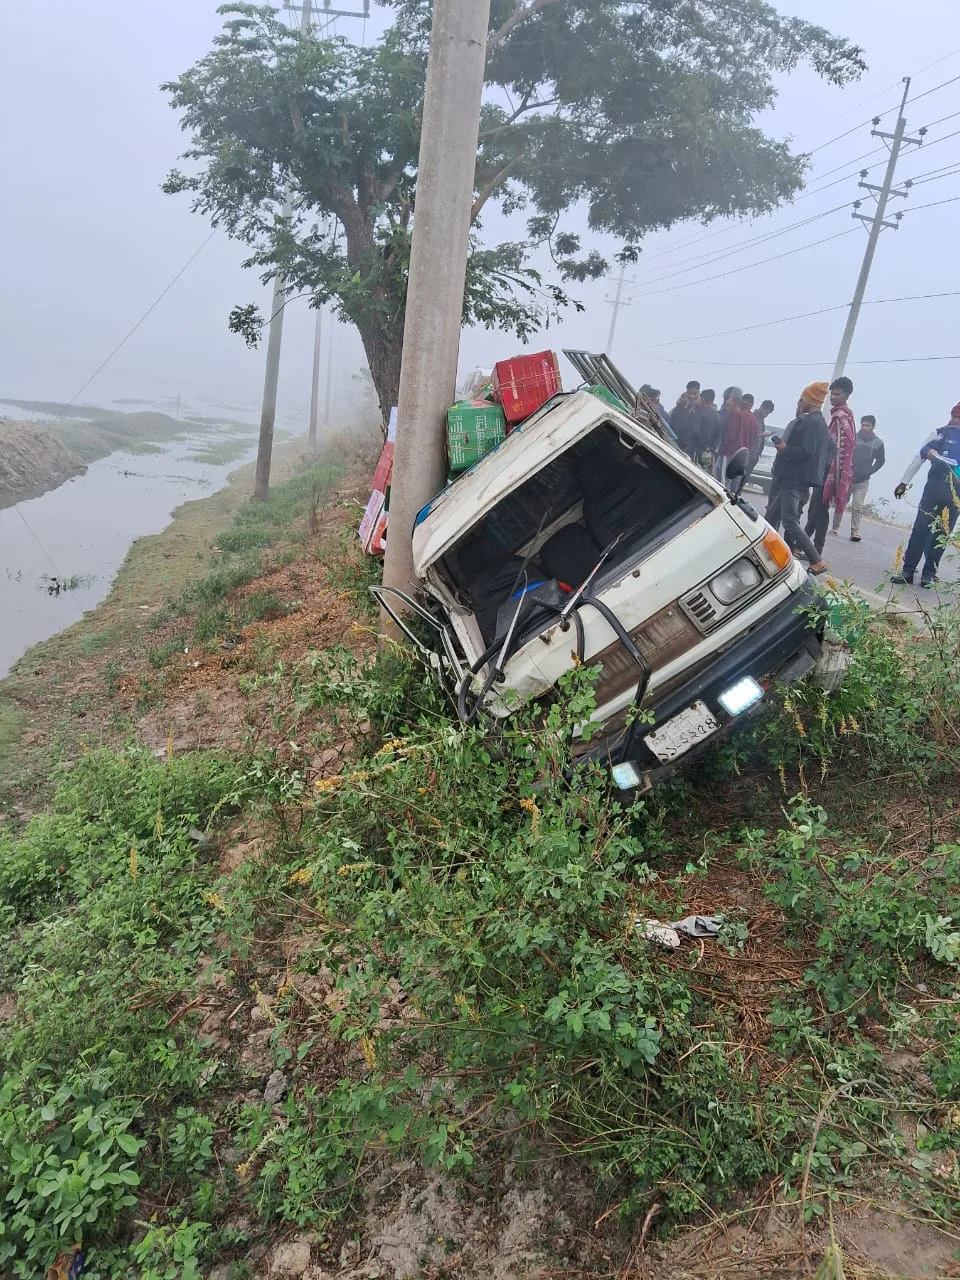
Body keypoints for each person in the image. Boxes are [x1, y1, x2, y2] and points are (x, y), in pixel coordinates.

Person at [764, 382, 831, 575]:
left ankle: (816, 561)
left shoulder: (810, 422)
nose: (799, 403)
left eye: (801, 400)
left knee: (790, 521)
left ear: (807, 401)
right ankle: (764, 550)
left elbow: (806, 452)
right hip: (796, 478)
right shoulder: (819, 423)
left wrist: (785, 449)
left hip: (795, 478)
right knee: (769, 518)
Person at [891, 402, 960, 588]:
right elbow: (919, 457)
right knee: (920, 530)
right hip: (932, 493)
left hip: (955, 498)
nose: (954, 421)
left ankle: (929, 574)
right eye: (953, 416)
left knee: (942, 535)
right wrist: (904, 483)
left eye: (958, 418)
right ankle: (907, 571)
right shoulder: (940, 433)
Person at [805, 376, 855, 555]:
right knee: (815, 508)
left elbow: (844, 445)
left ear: (847, 396)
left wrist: (832, 466)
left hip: (830, 469)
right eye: (832, 394)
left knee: (820, 508)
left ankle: (816, 549)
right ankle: (803, 544)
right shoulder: (840, 415)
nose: (833, 397)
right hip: (827, 468)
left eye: (837, 394)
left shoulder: (842, 416)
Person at [847, 415, 885, 542]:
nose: (864, 427)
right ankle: (834, 527)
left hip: (863, 480)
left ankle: (855, 532)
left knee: (857, 506)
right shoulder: (853, 438)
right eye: (863, 424)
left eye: (867, 425)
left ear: (873, 427)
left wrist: (870, 471)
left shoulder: (878, 443)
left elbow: (881, 461)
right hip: (848, 477)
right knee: (840, 503)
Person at [717, 387, 758, 485]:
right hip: (742, 456)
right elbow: (753, 439)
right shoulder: (753, 418)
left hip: (729, 453)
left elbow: (730, 435)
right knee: (735, 483)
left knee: (723, 481)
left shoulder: (736, 414)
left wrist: (722, 450)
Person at [670, 385, 703, 460]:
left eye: (694, 394)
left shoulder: (703, 409)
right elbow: (672, 424)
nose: (692, 396)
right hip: (676, 445)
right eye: (690, 393)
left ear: (699, 393)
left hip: (693, 450)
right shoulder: (679, 408)